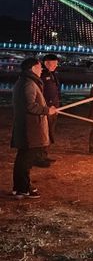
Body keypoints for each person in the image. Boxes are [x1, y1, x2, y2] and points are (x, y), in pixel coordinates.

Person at [11, 58, 57, 199]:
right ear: (32, 68)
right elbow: (29, 106)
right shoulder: (28, 83)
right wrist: (47, 110)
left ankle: (19, 187)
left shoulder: (25, 81)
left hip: (27, 127)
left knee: (23, 158)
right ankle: (23, 189)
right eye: (39, 67)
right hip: (30, 129)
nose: (41, 69)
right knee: (26, 160)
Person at [38, 54, 61, 165]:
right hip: (47, 109)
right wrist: (47, 106)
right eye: (54, 63)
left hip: (54, 109)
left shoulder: (53, 74)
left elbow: (55, 91)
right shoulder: (42, 75)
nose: (56, 66)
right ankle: (39, 157)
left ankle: (44, 155)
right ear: (46, 63)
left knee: (49, 133)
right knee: (43, 133)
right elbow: (40, 94)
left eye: (56, 64)